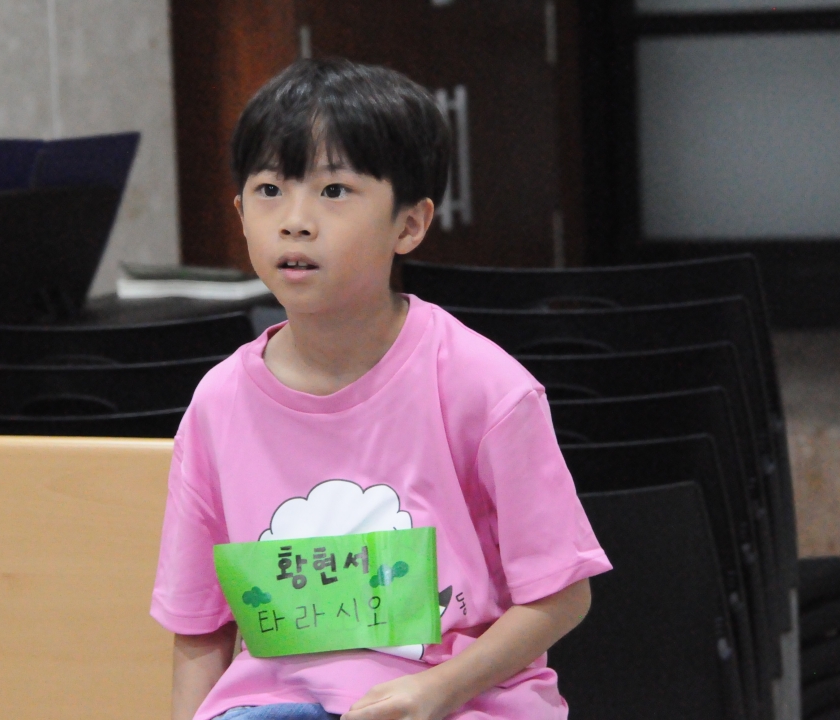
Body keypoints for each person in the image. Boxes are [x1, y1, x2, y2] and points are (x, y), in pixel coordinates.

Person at [151, 58, 612, 720]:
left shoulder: (483, 385)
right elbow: (199, 627)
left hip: (460, 700)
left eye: (334, 190)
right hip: (282, 703)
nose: (296, 220)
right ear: (241, 213)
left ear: (409, 225)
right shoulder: (219, 404)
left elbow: (562, 593)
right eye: (270, 189)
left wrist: (437, 690)